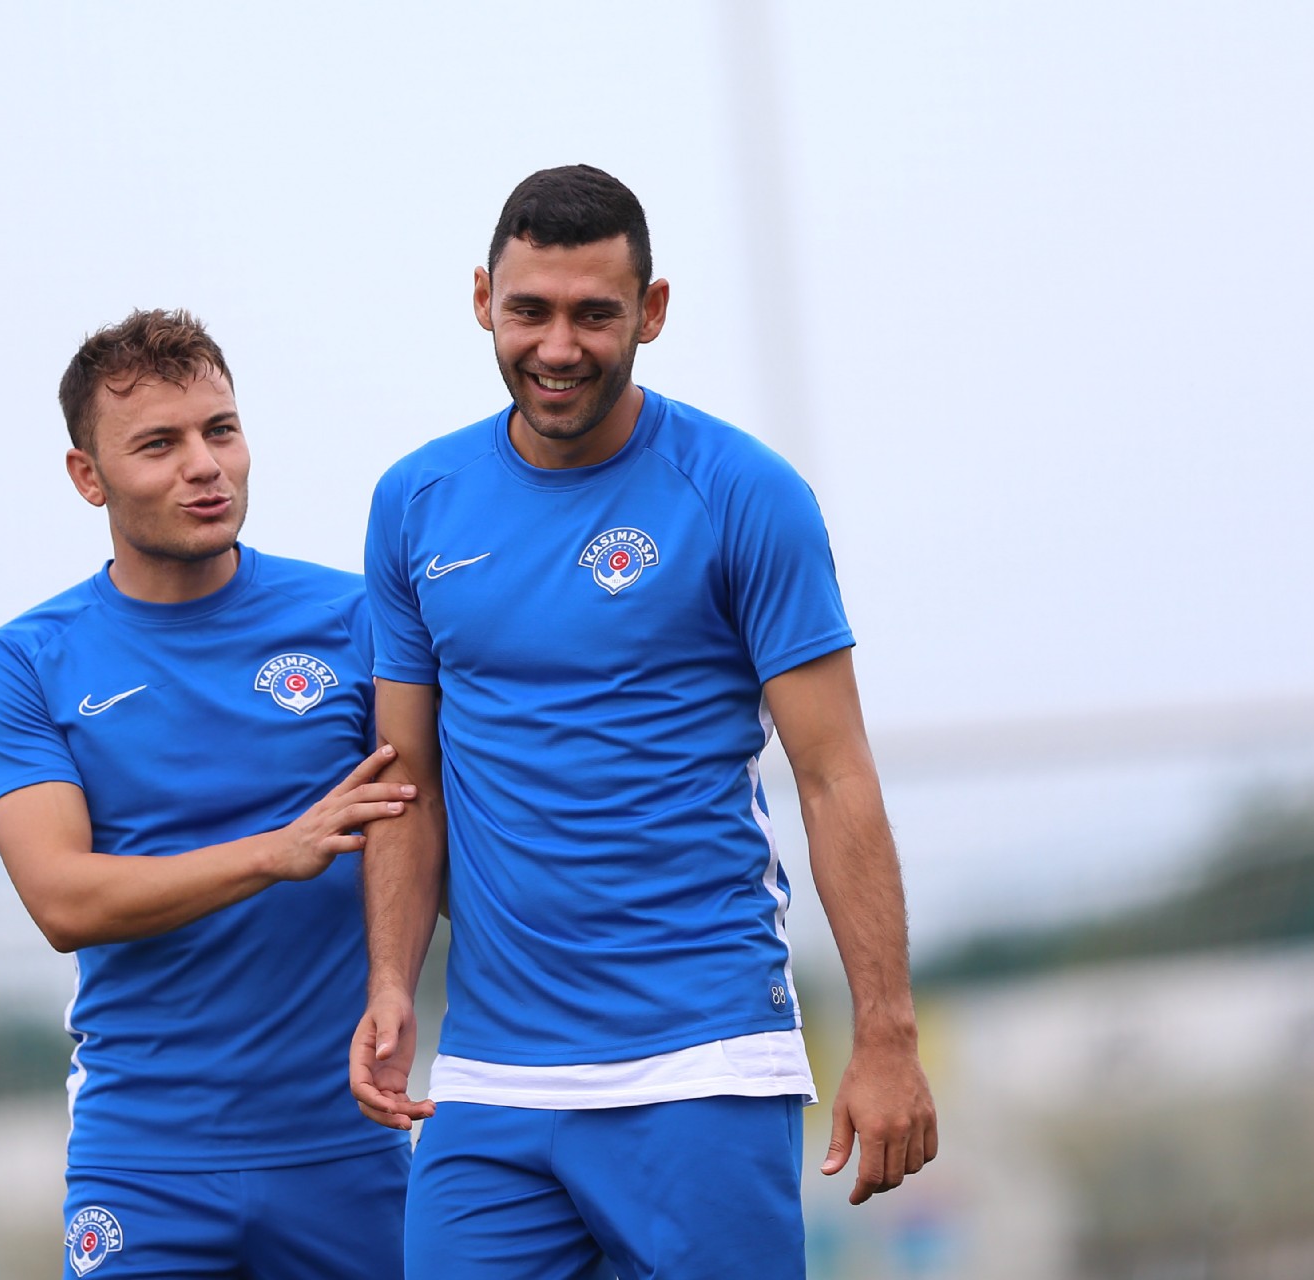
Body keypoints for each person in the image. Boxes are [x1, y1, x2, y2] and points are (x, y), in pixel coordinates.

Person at [348, 166, 938, 1279]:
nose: (557, 346)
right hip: (491, 1077)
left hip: (700, 1057)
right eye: (529, 310)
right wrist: (389, 981)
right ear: (482, 300)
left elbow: (834, 775)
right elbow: (405, 779)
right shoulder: (414, 502)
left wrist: (887, 1030)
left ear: (652, 311)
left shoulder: (744, 491)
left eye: (593, 314)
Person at [0, 308, 411, 1280]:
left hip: (347, 1141)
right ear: (88, 475)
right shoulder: (22, 663)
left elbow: (434, 834)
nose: (205, 466)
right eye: (159, 444)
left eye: (221, 430)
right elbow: (64, 899)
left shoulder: (358, 620)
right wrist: (276, 851)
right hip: (144, 1160)